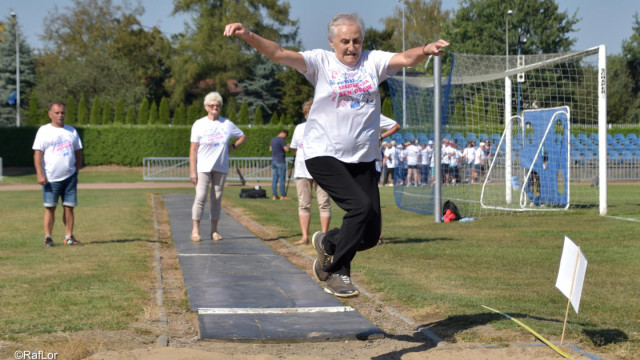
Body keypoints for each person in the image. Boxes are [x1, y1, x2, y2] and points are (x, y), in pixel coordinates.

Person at [224, 14, 449, 297]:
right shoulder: (320, 62)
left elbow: (406, 58)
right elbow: (278, 53)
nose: (351, 47)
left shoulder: (373, 61)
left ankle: (328, 244)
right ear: (332, 43)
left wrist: (425, 49)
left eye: (356, 41)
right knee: (360, 207)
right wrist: (247, 34)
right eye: (344, 41)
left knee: (368, 236)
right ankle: (338, 272)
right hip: (324, 154)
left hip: (364, 158)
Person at [190, 92, 246, 242]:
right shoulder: (199, 124)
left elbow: (242, 136)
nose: (215, 107)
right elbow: (193, 149)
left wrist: (232, 147)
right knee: (201, 196)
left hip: (221, 167)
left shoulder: (226, 124)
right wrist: (192, 171)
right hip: (203, 167)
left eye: (218, 105)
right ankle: (195, 230)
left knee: (217, 198)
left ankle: (214, 230)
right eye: (212, 105)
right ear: (206, 106)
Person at [33, 102, 84, 246]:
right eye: (57, 113)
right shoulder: (44, 131)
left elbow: (78, 152)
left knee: (69, 207)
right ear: (50, 114)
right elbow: (38, 154)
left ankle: (69, 237)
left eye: (62, 113)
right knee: (50, 207)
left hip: (70, 177)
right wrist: (39, 174)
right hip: (50, 178)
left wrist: (76, 170)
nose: (60, 115)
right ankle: (48, 237)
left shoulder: (72, 131)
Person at [290, 99, 331, 245]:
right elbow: (295, 149)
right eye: (308, 112)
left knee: (324, 203)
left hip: (322, 171)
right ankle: (304, 237)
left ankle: (324, 237)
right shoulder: (299, 128)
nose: (311, 115)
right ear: (305, 114)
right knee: (304, 204)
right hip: (302, 171)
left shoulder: (326, 128)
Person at [270, 129, 290, 200]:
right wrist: (288, 146)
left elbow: (270, 149)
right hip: (280, 161)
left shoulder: (273, 139)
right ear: (284, 134)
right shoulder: (281, 140)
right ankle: (283, 195)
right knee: (282, 178)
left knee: (275, 178)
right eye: (285, 136)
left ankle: (274, 195)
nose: (285, 137)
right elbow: (286, 150)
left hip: (274, 161)